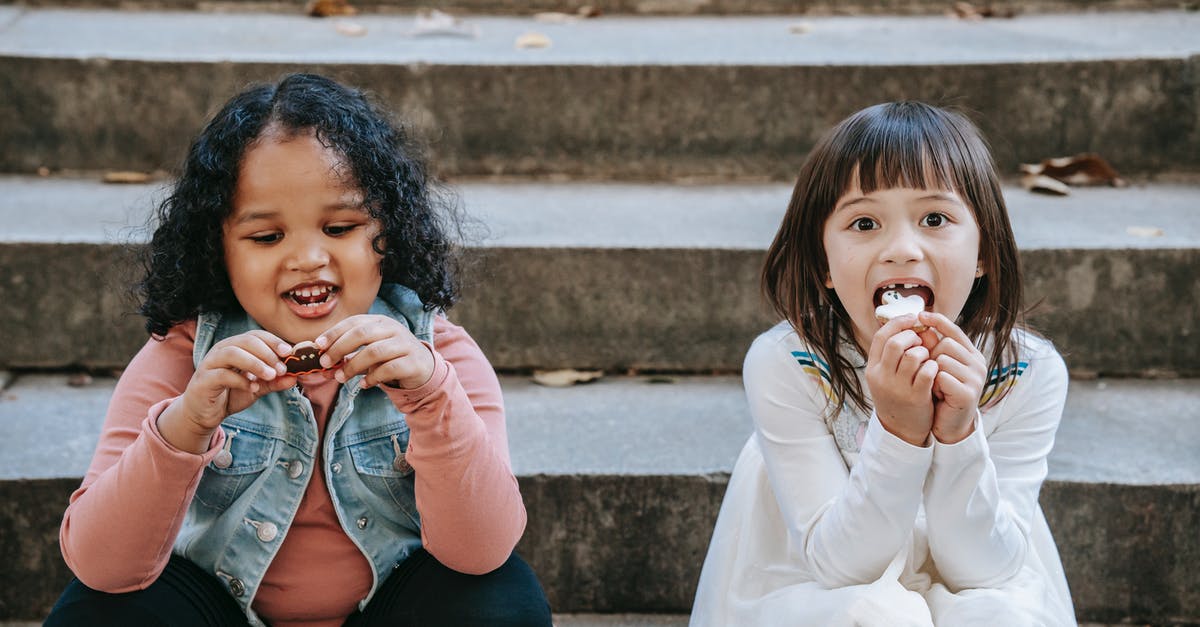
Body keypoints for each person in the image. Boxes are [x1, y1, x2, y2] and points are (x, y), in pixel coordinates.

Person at [47, 73, 553, 627]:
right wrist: (185, 426)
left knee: (501, 601)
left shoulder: (438, 354)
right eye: (267, 237)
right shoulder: (182, 355)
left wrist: (432, 399)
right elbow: (100, 567)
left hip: (387, 609)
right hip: (219, 612)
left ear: (389, 231)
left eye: (340, 227)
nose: (309, 257)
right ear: (217, 248)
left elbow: (482, 552)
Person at [690, 102, 1076, 626]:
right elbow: (838, 567)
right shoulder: (788, 364)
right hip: (819, 573)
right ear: (824, 264)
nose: (901, 249)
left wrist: (959, 433)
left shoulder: (1025, 373)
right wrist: (897, 431)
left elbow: (983, 572)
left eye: (934, 219)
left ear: (983, 250)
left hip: (977, 562)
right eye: (865, 222)